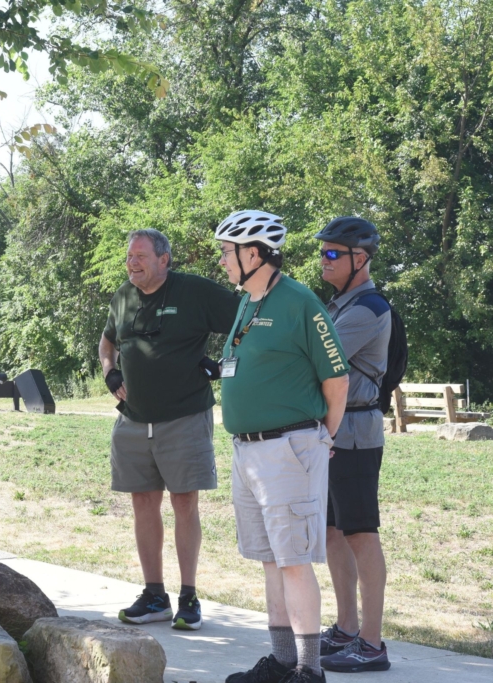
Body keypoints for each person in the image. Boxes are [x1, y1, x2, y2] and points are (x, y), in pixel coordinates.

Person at [216, 210, 349, 683]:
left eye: (228, 252)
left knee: (293, 561)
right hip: (247, 450)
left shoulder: (299, 302)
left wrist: (322, 438)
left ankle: (310, 671)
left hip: (288, 449)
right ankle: (282, 661)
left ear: (254, 253)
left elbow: (337, 380)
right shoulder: (248, 301)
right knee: (270, 559)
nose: (223, 261)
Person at [99, 229, 239, 631]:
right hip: (132, 420)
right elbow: (106, 343)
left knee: (184, 504)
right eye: (129, 256)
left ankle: (188, 597)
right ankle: (155, 594)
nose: (132, 263)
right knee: (143, 504)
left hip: (184, 418)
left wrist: (224, 363)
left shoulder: (195, 292)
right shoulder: (123, 296)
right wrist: (110, 373)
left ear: (165, 259)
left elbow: (247, 324)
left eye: (141, 256)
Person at [314, 217, 392, 673]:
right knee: (332, 533)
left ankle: (372, 643)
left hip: (357, 436)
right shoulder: (342, 303)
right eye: (322, 252)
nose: (323, 260)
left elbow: (320, 360)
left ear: (358, 259)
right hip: (333, 434)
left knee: (361, 535)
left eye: (331, 253)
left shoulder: (368, 308)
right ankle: (346, 628)